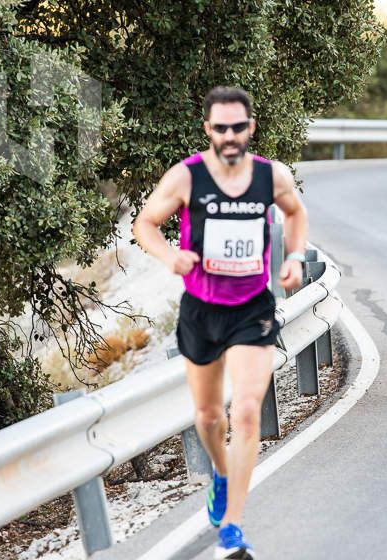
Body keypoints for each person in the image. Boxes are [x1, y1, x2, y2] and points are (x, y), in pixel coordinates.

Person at [132, 86, 308, 560]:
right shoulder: (187, 177)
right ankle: (221, 474)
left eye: (238, 127)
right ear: (208, 129)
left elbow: (296, 212)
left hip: (252, 308)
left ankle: (231, 529)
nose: (230, 136)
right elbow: (145, 224)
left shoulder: (272, 176)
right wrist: (170, 255)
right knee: (210, 417)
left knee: (247, 411)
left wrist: (293, 257)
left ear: (251, 128)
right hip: (202, 311)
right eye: (220, 128)